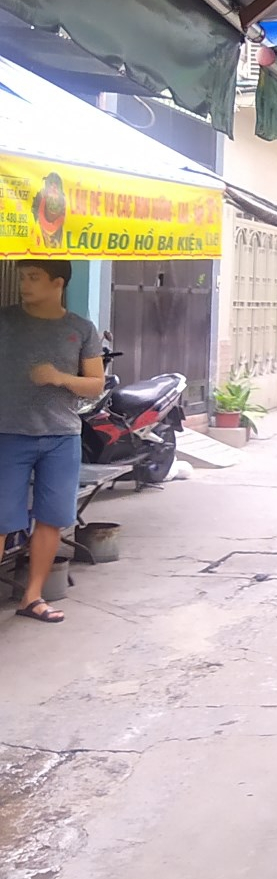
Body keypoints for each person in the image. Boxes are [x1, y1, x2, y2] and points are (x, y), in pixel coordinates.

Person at [0, 260, 105, 624]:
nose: (24, 284)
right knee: (1, 519)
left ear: (58, 283)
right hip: (8, 433)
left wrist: (58, 377)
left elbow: (95, 384)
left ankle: (32, 597)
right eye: (22, 277)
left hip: (61, 436)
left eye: (34, 277)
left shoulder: (80, 328)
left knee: (51, 519)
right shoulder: (5, 321)